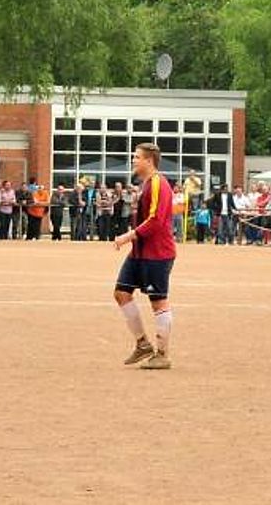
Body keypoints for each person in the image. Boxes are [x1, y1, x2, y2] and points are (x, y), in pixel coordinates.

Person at [113, 142, 176, 370]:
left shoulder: (158, 183)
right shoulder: (146, 183)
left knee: (158, 301)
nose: (133, 160)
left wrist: (128, 236)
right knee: (121, 293)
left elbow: (156, 220)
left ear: (149, 161)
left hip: (157, 253)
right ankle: (143, 344)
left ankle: (163, 354)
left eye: (137, 157)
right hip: (140, 252)